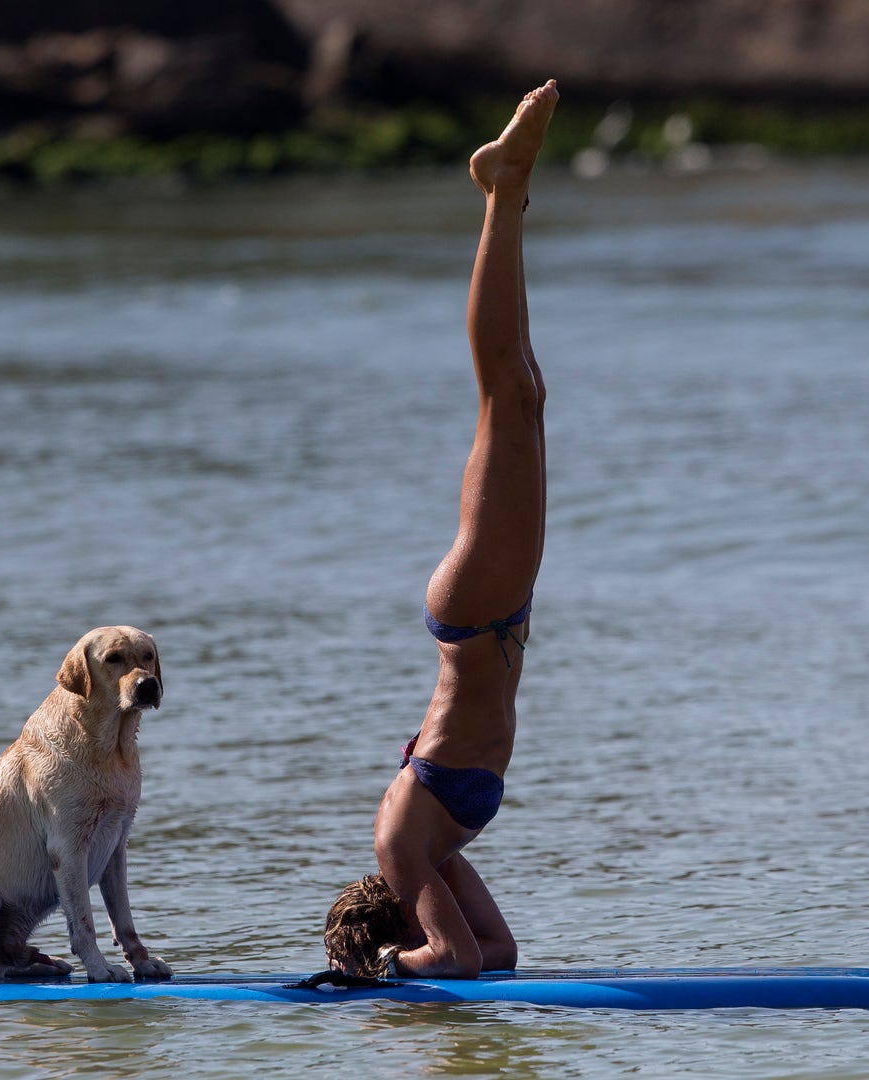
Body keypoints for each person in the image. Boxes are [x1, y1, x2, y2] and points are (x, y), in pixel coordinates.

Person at [324, 79, 558, 980]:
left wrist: (380, 970)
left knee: (506, 391)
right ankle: (509, 197)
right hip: (495, 614)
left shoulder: (401, 849)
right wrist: (417, 957)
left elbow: (451, 963)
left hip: (478, 612)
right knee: (525, 393)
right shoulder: (433, 857)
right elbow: (493, 956)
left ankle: (504, 186)